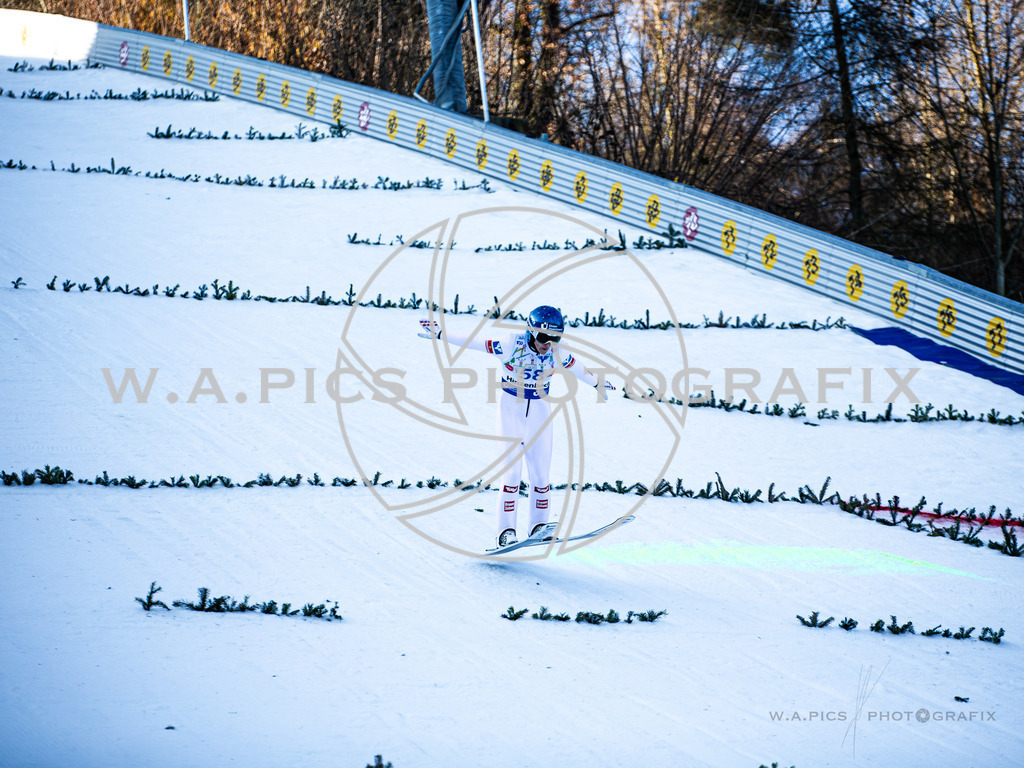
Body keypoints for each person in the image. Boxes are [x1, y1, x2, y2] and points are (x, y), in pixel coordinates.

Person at [418, 305, 615, 549]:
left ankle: (539, 527)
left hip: (540, 410)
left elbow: (578, 368)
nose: (549, 343)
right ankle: (506, 532)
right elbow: (475, 341)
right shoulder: (511, 343)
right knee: (511, 474)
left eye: (556, 338)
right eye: (544, 337)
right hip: (511, 409)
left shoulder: (558, 352)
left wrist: (598, 384)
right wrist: (440, 334)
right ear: (531, 332)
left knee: (541, 475)